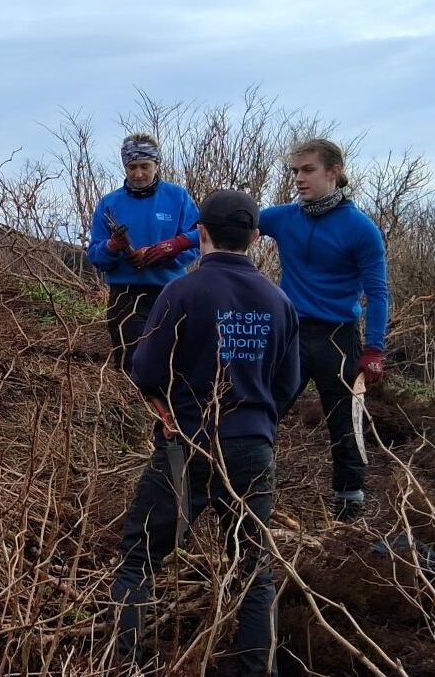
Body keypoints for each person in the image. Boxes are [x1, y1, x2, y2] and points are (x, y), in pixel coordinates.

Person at [112, 190, 300, 675]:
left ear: (201, 232)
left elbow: (146, 368)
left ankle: (126, 665)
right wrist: (255, 421)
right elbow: (289, 385)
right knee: (252, 569)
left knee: (139, 560)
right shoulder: (280, 302)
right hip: (254, 448)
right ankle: (259, 669)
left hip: (187, 445)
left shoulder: (182, 292)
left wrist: (173, 409)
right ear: (256, 238)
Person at [259, 138, 389, 521]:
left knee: (346, 423)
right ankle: (245, 483)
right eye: (295, 171)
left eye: (308, 170)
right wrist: (175, 243)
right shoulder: (282, 217)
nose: (299, 178)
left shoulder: (361, 229)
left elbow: (378, 293)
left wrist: (375, 349)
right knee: (264, 409)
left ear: (334, 171)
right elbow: (231, 222)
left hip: (338, 337)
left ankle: (349, 506)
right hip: (292, 333)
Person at [87, 133, 199, 373]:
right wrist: (112, 247)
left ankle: (169, 409)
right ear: (124, 166)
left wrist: (162, 255)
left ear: (157, 164)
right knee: (132, 361)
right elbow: (95, 255)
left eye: (144, 166)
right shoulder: (109, 203)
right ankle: (132, 408)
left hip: (170, 291)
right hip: (125, 295)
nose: (138, 174)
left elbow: (197, 241)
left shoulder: (178, 197)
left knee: (172, 361)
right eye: (132, 167)